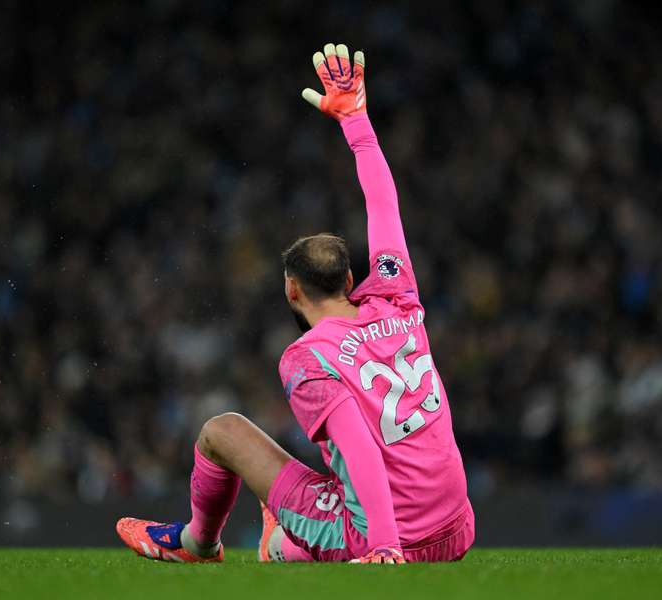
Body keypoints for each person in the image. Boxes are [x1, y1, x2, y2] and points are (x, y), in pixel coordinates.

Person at [116, 42, 474, 564]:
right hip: (457, 527)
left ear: (291, 290)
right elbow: (383, 204)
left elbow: (359, 448)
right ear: (351, 278)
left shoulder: (308, 356)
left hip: (392, 541)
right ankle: (284, 538)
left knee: (222, 432)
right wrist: (357, 122)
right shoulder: (398, 298)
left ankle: (199, 542)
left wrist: (383, 547)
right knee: (321, 492)